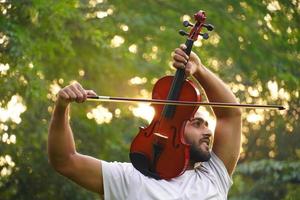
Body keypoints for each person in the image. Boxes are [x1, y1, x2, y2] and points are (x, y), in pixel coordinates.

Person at [48, 44, 242, 199]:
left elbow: (230, 115)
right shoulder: (130, 178)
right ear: (172, 125)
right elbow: (65, 161)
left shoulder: (213, 176)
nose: (208, 132)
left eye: (207, 124)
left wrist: (199, 69)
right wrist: (61, 107)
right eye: (197, 124)